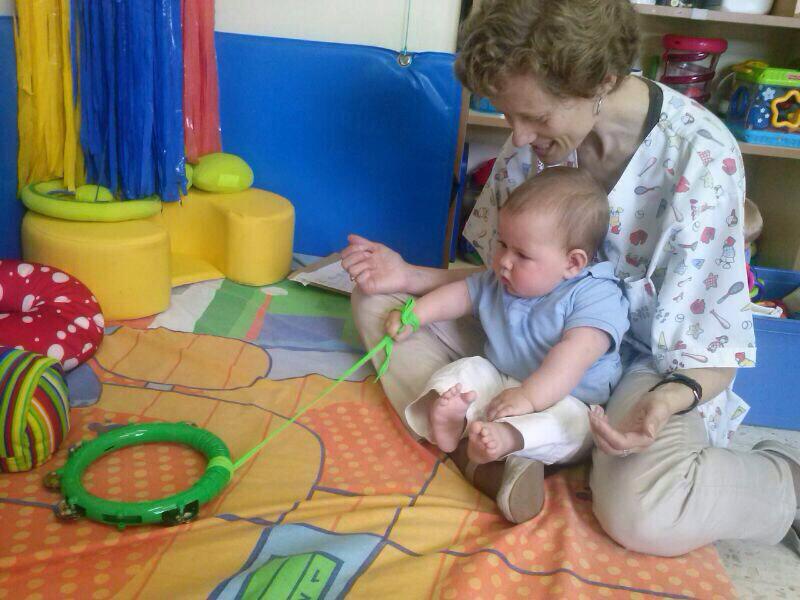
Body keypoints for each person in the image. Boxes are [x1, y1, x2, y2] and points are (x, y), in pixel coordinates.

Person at [343, 0, 799, 556]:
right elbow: (497, 277)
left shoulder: (700, 160)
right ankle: (511, 444)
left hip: (639, 362)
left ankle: (784, 483)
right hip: (527, 332)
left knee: (642, 516)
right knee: (376, 300)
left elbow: (715, 350)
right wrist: (406, 274)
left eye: (536, 117)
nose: (518, 134)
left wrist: (663, 404)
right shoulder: (528, 149)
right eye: (508, 114)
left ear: (602, 81)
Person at [385, 168, 629, 518]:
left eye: (522, 254)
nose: (503, 261)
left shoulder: (596, 295)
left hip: (568, 398)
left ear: (572, 263)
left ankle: (509, 441)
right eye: (501, 243)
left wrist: (529, 398)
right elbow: (460, 294)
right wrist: (415, 315)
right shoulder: (502, 278)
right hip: (504, 381)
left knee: (573, 423)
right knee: (469, 369)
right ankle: (450, 418)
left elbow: (572, 357)